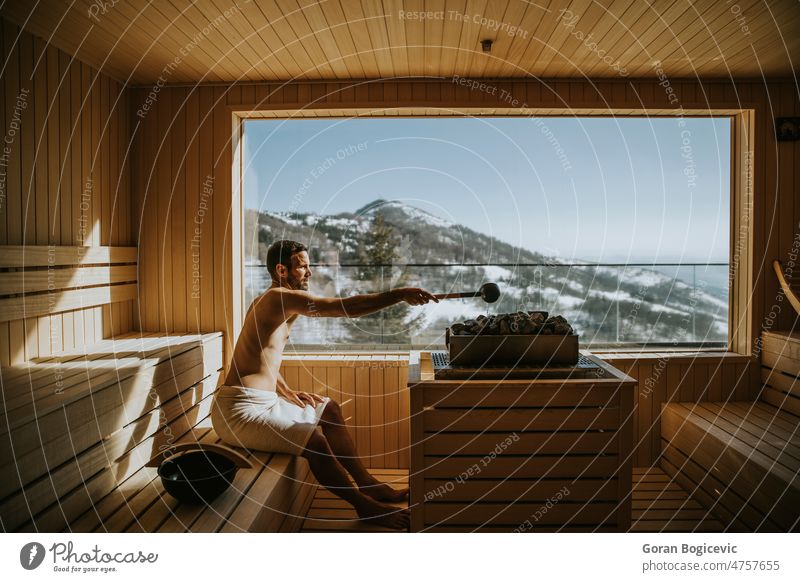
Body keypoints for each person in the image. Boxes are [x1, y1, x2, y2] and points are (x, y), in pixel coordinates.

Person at [211, 239, 438, 530]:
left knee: (327, 407)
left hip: (263, 402)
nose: (309, 272)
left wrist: (285, 391)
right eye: (303, 266)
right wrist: (398, 294)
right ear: (282, 270)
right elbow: (344, 308)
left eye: (309, 265)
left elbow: (260, 354)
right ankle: (364, 506)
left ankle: (367, 483)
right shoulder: (278, 298)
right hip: (239, 413)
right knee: (314, 441)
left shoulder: (270, 301)